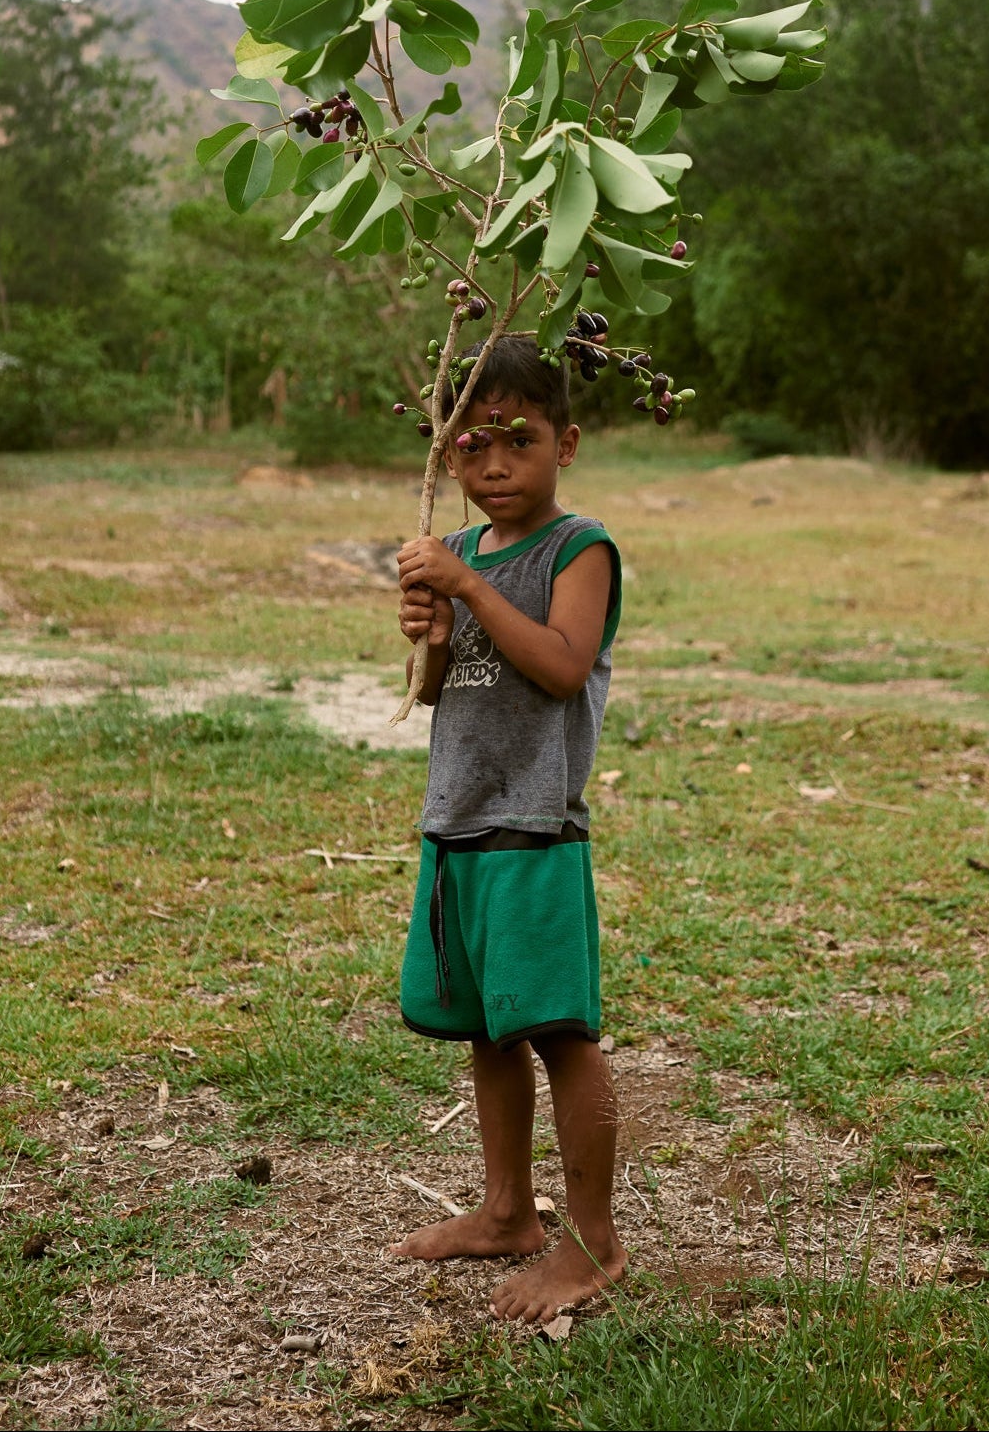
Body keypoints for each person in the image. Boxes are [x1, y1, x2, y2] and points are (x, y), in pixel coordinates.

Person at [391, 333, 626, 1324]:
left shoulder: (579, 550)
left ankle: (592, 1242)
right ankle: (505, 1212)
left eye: (518, 440)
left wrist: (471, 590)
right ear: (448, 452)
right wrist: (436, 636)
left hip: (534, 826)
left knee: (558, 1034)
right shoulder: (463, 553)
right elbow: (436, 691)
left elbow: (565, 665)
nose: (494, 463)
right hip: (461, 819)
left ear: (563, 444)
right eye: (472, 443)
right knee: (488, 1031)